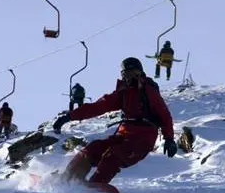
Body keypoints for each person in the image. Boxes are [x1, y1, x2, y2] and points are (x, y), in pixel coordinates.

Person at [52, 57, 178, 185]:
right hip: (124, 135)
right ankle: (67, 178)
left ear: (140, 72)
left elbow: (165, 115)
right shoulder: (123, 93)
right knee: (94, 148)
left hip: (143, 138)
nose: (129, 76)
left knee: (114, 154)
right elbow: (99, 106)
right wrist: (69, 116)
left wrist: (169, 139)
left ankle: (96, 184)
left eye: (132, 72)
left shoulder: (148, 91)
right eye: (125, 73)